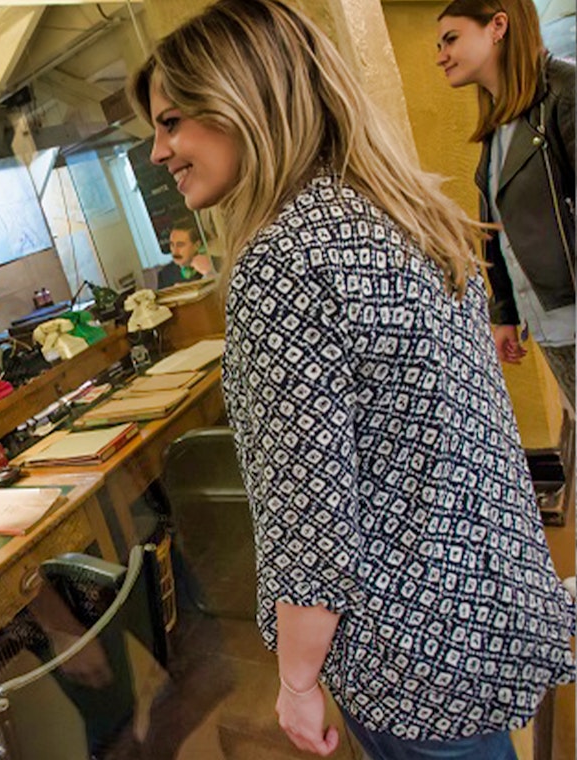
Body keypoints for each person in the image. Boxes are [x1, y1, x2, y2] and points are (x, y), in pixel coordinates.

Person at [128, 1, 574, 758]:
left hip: (412, 648)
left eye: (173, 122)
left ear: (244, 102)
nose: (158, 150)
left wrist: (297, 680)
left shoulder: (281, 260)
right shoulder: (393, 206)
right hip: (488, 596)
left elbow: (312, 515)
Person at [436, 0, 575, 413]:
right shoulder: (500, 123)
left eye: (451, 39)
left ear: (497, 26)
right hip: (550, 322)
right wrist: (505, 312)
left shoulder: (566, 96)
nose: (440, 55)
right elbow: (500, 227)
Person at [157, 218, 215, 288]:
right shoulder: (165, 275)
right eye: (172, 245)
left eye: (180, 245)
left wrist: (209, 272)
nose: (175, 251)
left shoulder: (216, 264)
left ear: (197, 245)